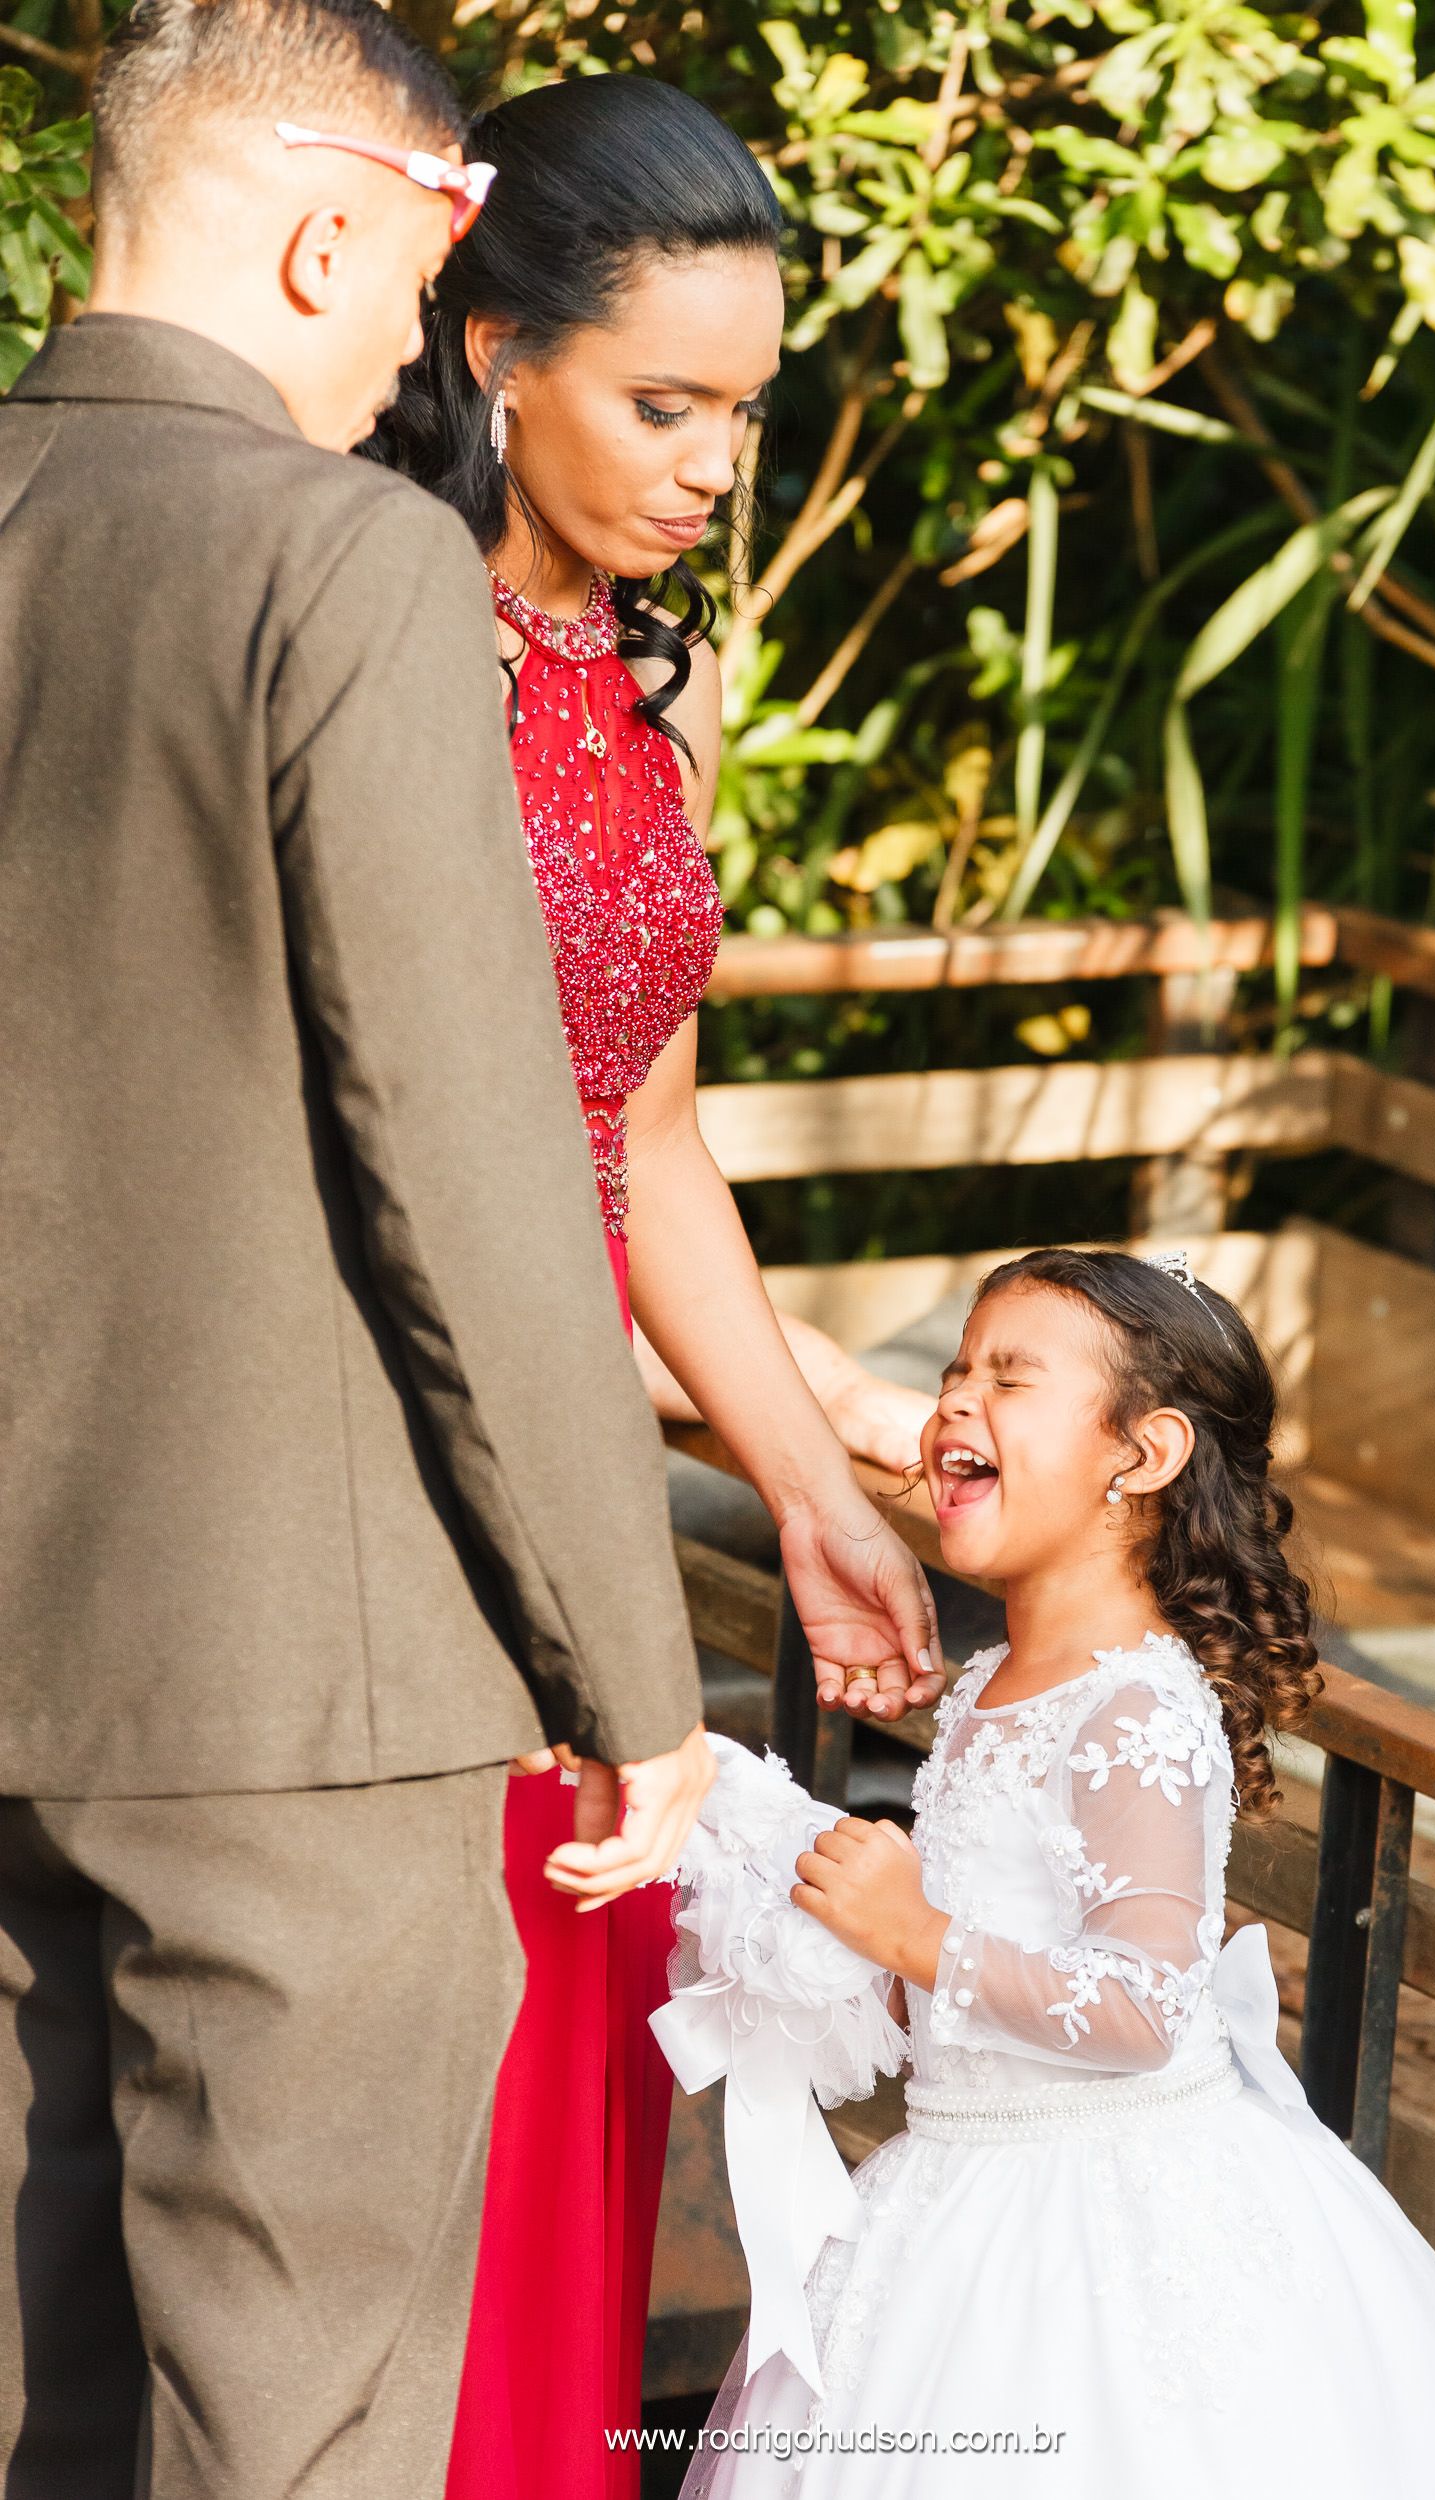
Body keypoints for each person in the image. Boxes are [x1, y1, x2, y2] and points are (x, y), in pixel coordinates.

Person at [0, 6, 718, 2493]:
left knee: (37, 2412)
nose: (415, 356)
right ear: (329, 238)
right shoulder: (340, 557)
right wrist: (630, 1663)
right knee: (288, 2424)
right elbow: (460, 1148)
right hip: (295, 1694)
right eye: (422, 290)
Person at [369, 77, 941, 2500]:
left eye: (747, 413)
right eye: (664, 404)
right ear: (495, 352)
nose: (717, 467)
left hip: (595, 1502)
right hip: (381, 1475)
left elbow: (653, 1141)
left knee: (570, 2078)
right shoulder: (358, 632)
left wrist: (806, 1492)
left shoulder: (651, 677)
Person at [655, 1249, 1435, 2496]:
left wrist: (912, 1933)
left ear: (1141, 1454)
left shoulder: (1132, 1707)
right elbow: (975, 1975)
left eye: (1010, 1378)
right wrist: (819, 1924)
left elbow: (1139, 2008)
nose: (956, 1398)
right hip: (960, 2175)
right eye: (954, 1370)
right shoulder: (989, 1682)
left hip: (1100, 2207)